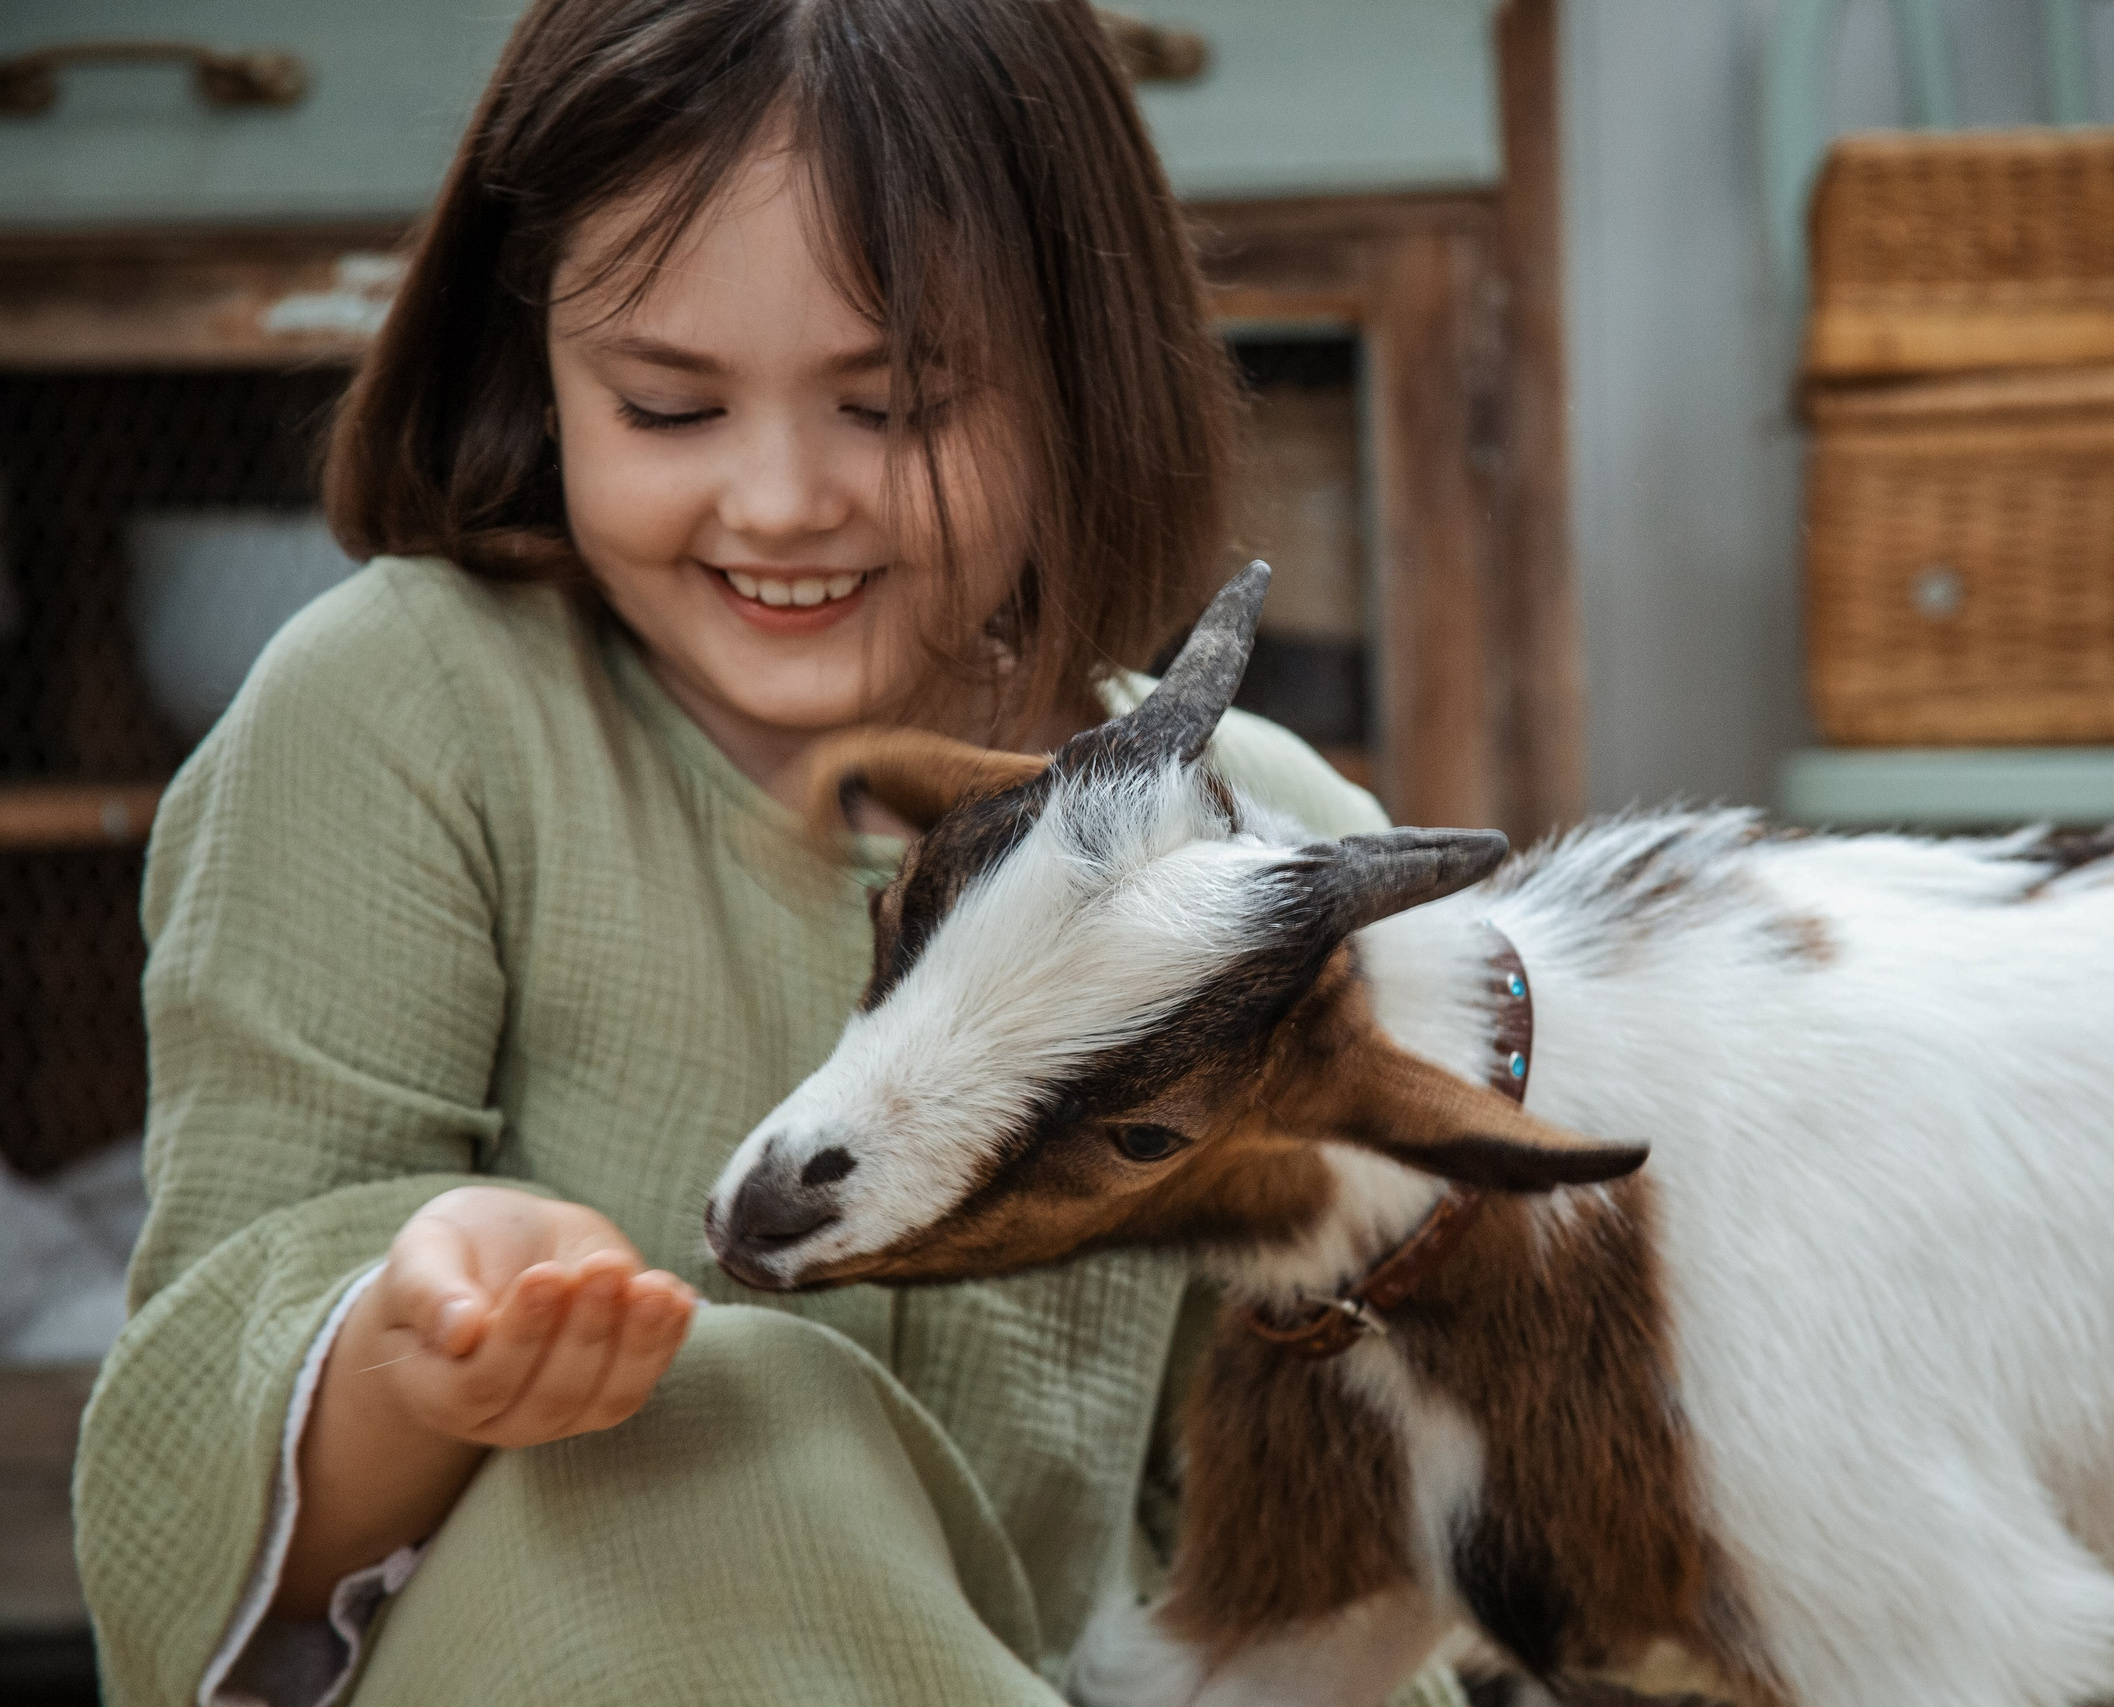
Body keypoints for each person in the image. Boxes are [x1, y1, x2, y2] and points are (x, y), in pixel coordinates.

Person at [72, 3, 1455, 1703]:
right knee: (737, 1420)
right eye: (668, 408)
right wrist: (406, 1366)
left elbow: (1328, 1539)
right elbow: (205, 1506)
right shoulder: (399, 717)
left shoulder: (1272, 851)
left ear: (1081, 376)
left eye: (895, 408)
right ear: (538, 369)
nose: (783, 500)